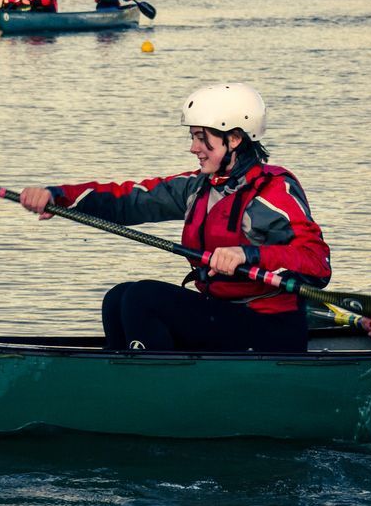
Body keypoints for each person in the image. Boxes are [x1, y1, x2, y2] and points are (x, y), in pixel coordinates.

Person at [19, 84, 332, 353]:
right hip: (224, 316)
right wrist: (59, 196)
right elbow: (131, 199)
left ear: (234, 139)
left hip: (270, 328)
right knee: (118, 298)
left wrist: (248, 254)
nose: (193, 147)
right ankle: (123, 374)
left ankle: (153, 390)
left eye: (201, 137)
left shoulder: (274, 192)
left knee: (143, 298)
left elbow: (317, 264)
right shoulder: (197, 186)